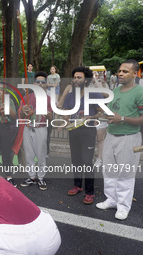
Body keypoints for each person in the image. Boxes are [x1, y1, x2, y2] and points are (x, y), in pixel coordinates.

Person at [96, 60, 143, 220]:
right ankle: (111, 199)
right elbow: (113, 112)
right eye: (119, 71)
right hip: (111, 135)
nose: (120, 73)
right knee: (109, 170)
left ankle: (123, 206)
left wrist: (121, 118)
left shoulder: (140, 92)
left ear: (135, 74)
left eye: (125, 71)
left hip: (129, 137)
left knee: (125, 173)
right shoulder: (115, 90)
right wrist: (105, 115)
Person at [61, 67, 103, 205]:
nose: (76, 80)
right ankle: (77, 186)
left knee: (87, 161)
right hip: (73, 131)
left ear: (86, 79)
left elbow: (101, 113)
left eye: (79, 77)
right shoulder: (70, 96)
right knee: (76, 160)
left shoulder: (94, 95)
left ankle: (89, 192)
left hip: (88, 131)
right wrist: (64, 122)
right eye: (74, 77)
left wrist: (91, 116)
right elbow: (66, 113)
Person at [19, 72, 52, 190]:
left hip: (41, 128)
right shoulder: (27, 97)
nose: (40, 84)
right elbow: (21, 115)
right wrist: (24, 110)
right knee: (29, 154)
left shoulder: (48, 99)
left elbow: (51, 117)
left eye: (42, 82)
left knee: (41, 154)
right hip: (27, 128)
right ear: (34, 84)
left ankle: (41, 178)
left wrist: (48, 115)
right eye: (37, 82)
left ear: (46, 85)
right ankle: (31, 177)